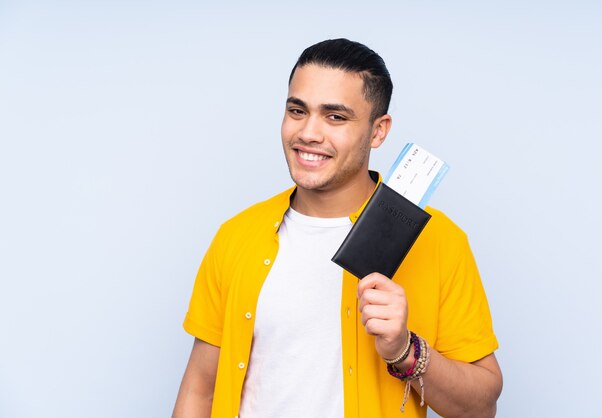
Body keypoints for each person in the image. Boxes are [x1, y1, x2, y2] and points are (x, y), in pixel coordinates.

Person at [172, 38, 502, 418]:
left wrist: (405, 351)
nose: (308, 133)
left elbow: (482, 407)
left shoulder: (439, 241)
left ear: (379, 131)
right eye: (297, 110)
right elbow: (200, 391)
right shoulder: (236, 235)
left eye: (335, 117)